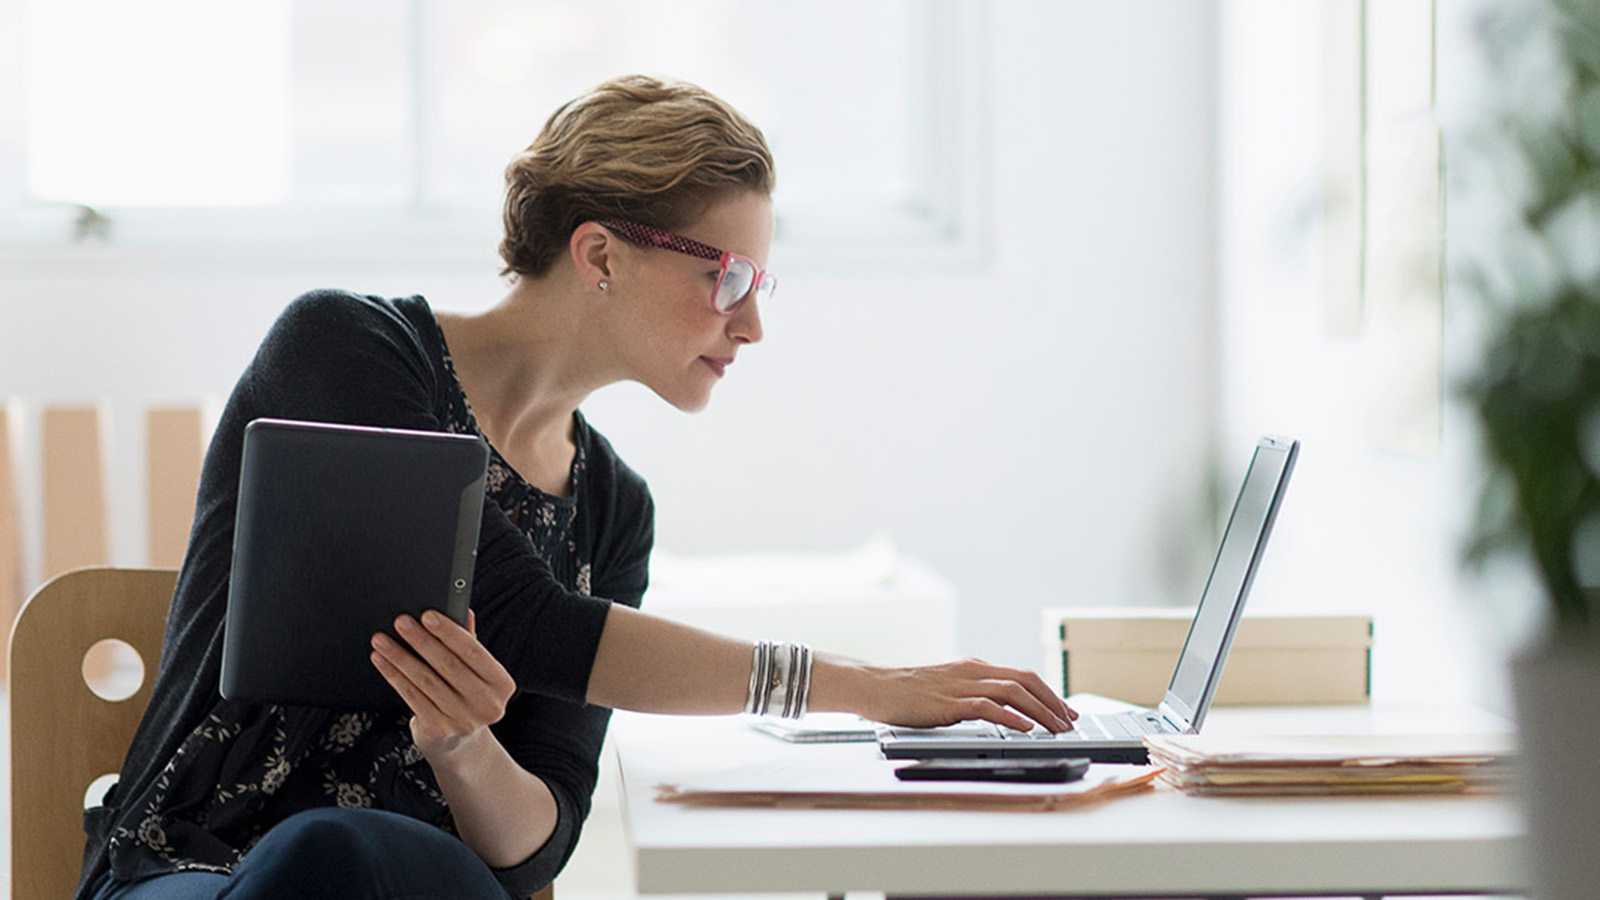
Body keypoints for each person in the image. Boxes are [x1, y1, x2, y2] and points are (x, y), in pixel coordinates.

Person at [77, 75, 1076, 900]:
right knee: (327, 856)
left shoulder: (613, 512)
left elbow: (538, 844)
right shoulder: (346, 348)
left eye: (759, 288)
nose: (751, 326)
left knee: (368, 856)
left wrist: (466, 749)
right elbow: (528, 620)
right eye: (728, 277)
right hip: (193, 865)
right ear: (599, 252)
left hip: (427, 883)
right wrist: (871, 687)